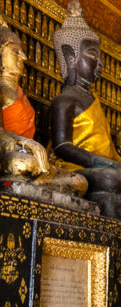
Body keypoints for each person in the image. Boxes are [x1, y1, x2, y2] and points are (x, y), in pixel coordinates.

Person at [49, 0, 121, 218]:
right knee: (110, 178)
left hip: (102, 165)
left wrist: (116, 163)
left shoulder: (94, 101)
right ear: (71, 57)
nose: (101, 64)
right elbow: (62, 146)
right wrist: (101, 162)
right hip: (77, 168)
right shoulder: (64, 100)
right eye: (93, 56)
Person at [0, 17, 86, 194]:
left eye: (22, 51)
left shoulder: (19, 91)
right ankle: (28, 185)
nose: (23, 57)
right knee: (21, 164)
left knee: (80, 181)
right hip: (11, 155)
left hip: (29, 156)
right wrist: (27, 143)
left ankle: (33, 186)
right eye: (15, 51)